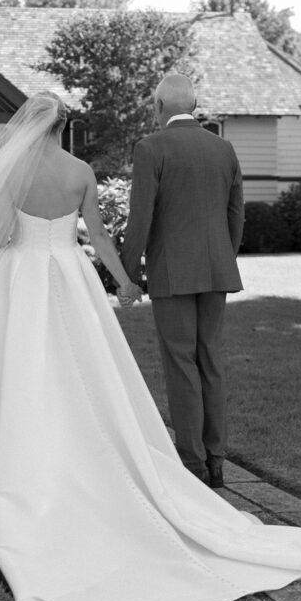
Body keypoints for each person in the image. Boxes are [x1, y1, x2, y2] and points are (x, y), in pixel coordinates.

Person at [0, 91, 301, 601]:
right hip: (70, 274)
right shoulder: (81, 171)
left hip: (20, 277)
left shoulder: (14, 173)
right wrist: (126, 282)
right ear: (64, 127)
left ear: (25, 127)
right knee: (84, 371)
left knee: (14, 370)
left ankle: (6, 462)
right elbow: (101, 237)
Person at [121, 73, 243, 489]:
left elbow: (141, 219)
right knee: (210, 358)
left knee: (181, 363)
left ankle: (191, 463)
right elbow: (235, 215)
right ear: (194, 104)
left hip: (171, 272)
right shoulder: (223, 148)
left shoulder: (150, 148)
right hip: (217, 270)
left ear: (158, 107)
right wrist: (225, 258)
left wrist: (128, 273)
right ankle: (217, 461)